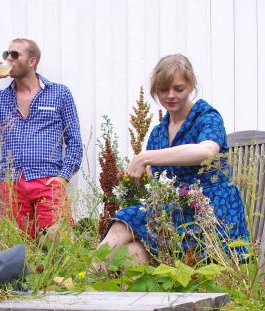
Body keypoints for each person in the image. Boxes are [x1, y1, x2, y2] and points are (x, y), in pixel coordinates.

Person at [97, 54, 249, 266]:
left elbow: (207, 150)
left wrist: (145, 157)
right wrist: (133, 186)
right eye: (163, 90)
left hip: (211, 215)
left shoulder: (207, 117)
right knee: (132, 253)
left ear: (191, 86)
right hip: (176, 215)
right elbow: (156, 185)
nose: (170, 95)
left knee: (124, 221)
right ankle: (88, 278)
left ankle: (84, 276)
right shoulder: (159, 132)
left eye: (178, 89)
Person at [0, 38, 83, 239]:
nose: (8, 58)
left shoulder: (59, 93)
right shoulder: (0, 98)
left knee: (59, 242)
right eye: (6, 54)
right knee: (18, 246)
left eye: (15, 55)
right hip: (12, 184)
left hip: (48, 180)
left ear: (31, 61)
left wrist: (63, 177)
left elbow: (74, 141)